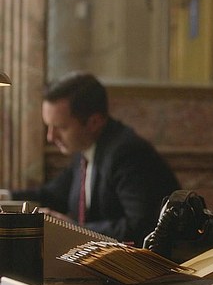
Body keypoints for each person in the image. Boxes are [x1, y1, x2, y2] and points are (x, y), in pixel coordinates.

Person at [8, 72, 181, 245]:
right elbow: (54, 194)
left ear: (94, 122)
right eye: (48, 126)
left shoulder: (127, 153)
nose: (50, 137)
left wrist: (73, 229)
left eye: (61, 127)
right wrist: (5, 197)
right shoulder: (84, 145)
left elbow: (141, 227)